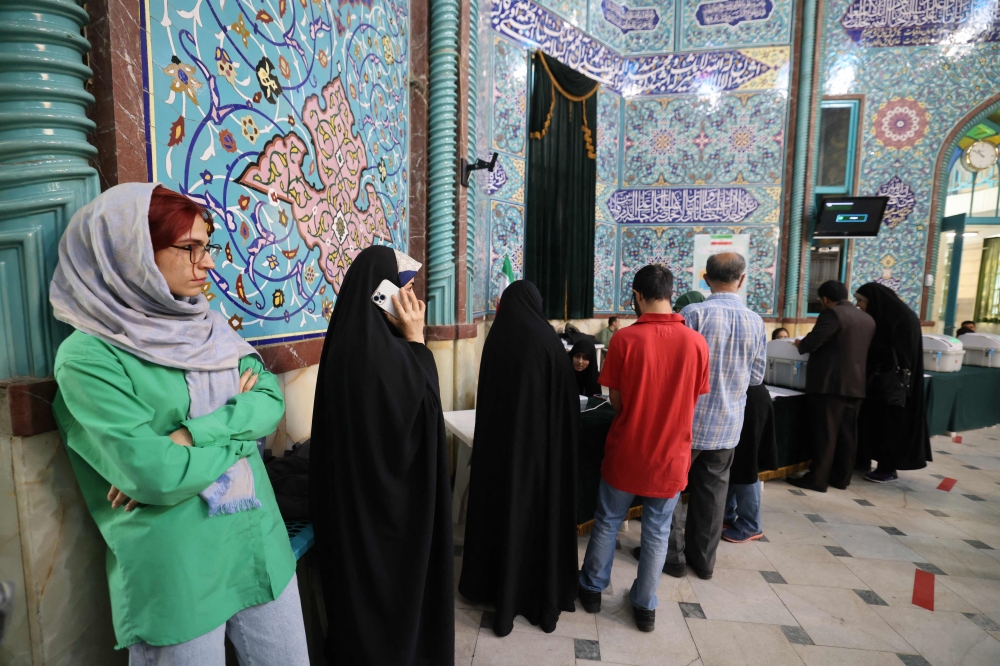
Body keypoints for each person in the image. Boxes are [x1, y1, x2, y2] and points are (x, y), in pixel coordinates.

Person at [49, 183, 307, 663]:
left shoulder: (205, 326)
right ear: (133, 253)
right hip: (178, 565)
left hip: (256, 542)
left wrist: (192, 435)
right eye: (189, 249)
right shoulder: (88, 358)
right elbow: (157, 475)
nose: (206, 264)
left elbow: (270, 402)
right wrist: (237, 429)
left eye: (206, 248)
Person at [309, 246, 454, 664]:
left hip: (350, 518)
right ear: (381, 293)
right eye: (403, 290)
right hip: (390, 527)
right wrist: (416, 339)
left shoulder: (346, 342)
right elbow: (428, 417)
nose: (410, 300)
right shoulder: (389, 355)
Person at [578, 264, 710, 633]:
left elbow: (616, 402)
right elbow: (693, 399)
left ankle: (591, 588)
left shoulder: (624, 341)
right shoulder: (696, 343)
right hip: (671, 456)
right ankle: (645, 605)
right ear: (671, 294)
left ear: (637, 296)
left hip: (628, 451)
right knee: (657, 531)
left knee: (607, 521)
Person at [459, 281, 580, 636]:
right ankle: (532, 593)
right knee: (534, 522)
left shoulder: (497, 339)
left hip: (499, 458)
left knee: (500, 516)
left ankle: (492, 586)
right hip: (539, 463)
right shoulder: (547, 343)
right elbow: (566, 409)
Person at [661, 253, 766, 577]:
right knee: (713, 495)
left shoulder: (693, 314)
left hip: (687, 423)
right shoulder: (756, 321)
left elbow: (673, 368)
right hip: (728, 423)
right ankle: (704, 562)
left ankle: (673, 557)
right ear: (743, 279)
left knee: (670, 491)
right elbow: (757, 377)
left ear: (706, 278)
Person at [787, 280, 875, 492]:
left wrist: (800, 343)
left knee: (825, 434)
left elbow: (813, 342)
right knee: (847, 434)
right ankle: (841, 478)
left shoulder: (832, 314)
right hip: (856, 384)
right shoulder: (867, 318)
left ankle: (817, 479)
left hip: (830, 385)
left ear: (825, 299)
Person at [854, 283, 931, 482]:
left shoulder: (901, 320)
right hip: (882, 385)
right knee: (876, 424)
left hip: (893, 388)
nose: (858, 304)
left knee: (890, 428)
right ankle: (868, 461)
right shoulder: (891, 316)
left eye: (861, 300)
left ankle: (887, 468)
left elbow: (896, 354)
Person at [723, 384, 778, 543]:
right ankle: (726, 515)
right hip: (740, 397)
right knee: (734, 462)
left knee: (746, 465)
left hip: (750, 401)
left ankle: (750, 524)